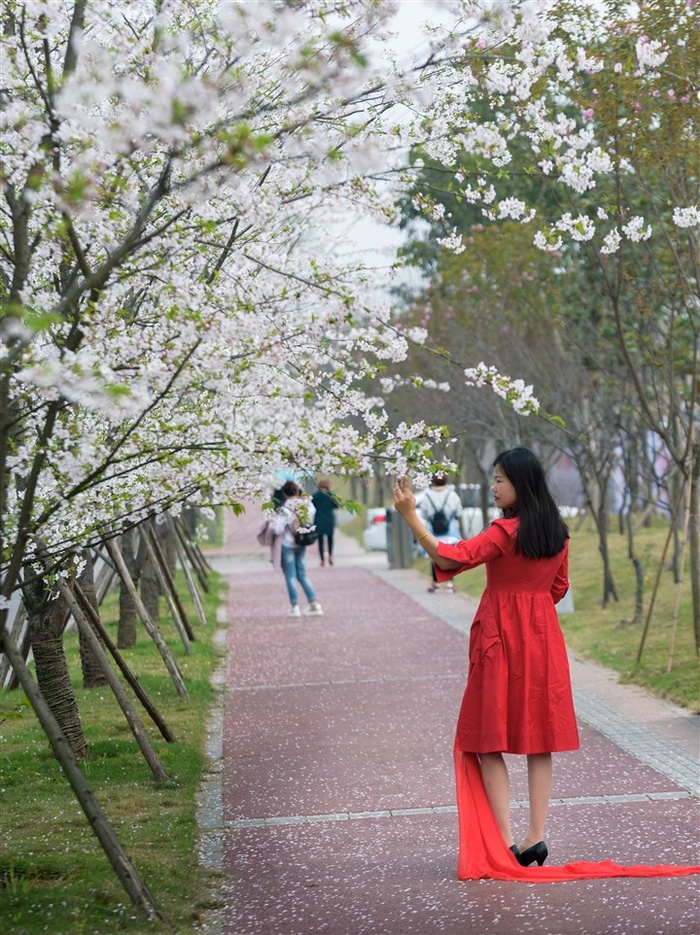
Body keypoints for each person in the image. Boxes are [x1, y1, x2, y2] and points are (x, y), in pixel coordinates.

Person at [393, 447, 577, 869]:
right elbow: (558, 588)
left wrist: (410, 516)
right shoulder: (558, 533)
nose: (494, 487)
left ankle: (506, 842)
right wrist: (531, 609)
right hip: (543, 639)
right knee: (539, 739)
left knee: (486, 737)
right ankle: (536, 839)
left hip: (500, 638)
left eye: (499, 480)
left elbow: (451, 556)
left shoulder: (504, 532)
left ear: (520, 484)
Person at [272, 481, 323, 617]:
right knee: (302, 574)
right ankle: (314, 604)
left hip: (288, 544)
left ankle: (294, 607)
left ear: (284, 493)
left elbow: (277, 529)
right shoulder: (307, 505)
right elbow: (312, 513)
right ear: (297, 491)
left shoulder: (285, 508)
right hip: (302, 543)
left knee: (290, 576)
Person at [416, 473, 463, 593]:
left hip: (434, 531)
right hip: (450, 531)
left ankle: (436, 583)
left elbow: (423, 514)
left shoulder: (427, 495)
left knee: (435, 557)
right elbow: (459, 512)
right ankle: (450, 584)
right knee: (451, 557)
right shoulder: (452, 495)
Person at [311, 477, 339, 566]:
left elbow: (311, 505)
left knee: (320, 540)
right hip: (329, 519)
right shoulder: (330, 495)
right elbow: (336, 506)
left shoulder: (315, 496)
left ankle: (322, 559)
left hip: (318, 519)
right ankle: (330, 555)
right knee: (330, 538)